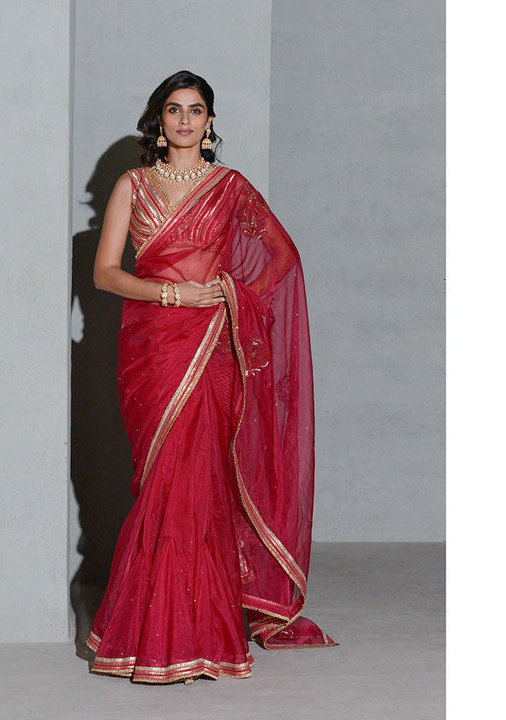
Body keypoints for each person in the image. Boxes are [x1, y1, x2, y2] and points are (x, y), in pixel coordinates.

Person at [88, 70, 338, 684]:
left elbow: (282, 259)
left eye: (195, 110)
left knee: (200, 482)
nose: (184, 120)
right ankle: (150, 634)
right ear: (158, 119)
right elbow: (105, 274)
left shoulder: (230, 188)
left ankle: (201, 636)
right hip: (153, 347)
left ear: (209, 121)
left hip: (212, 350)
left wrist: (229, 295)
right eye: (173, 109)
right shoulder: (132, 185)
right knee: (161, 482)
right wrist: (171, 295)